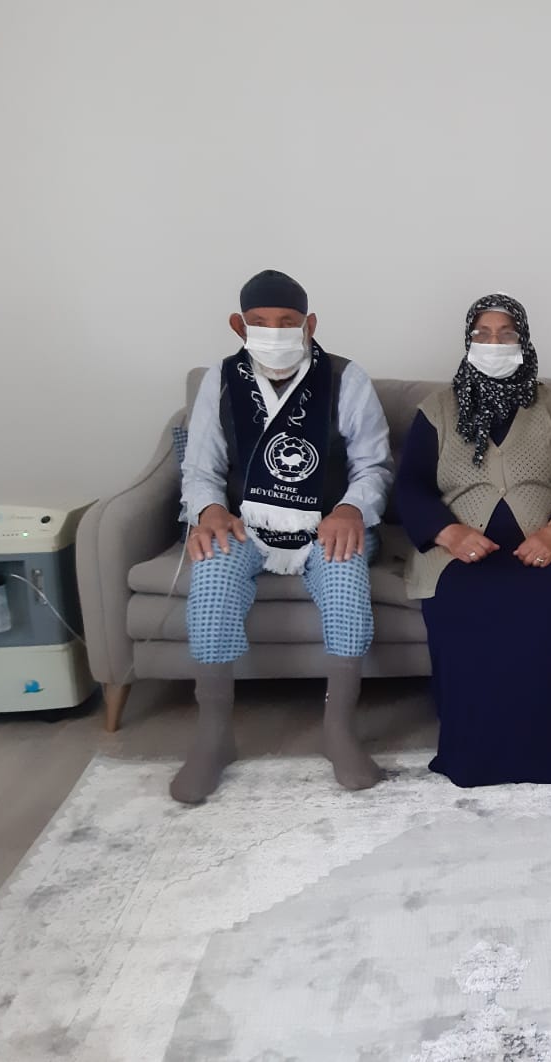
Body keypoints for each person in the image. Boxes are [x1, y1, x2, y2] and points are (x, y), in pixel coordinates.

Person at [177, 270, 393, 804]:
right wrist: (209, 510)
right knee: (212, 574)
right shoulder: (220, 380)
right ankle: (214, 735)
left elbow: (373, 466)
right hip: (245, 524)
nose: (274, 332)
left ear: (309, 324)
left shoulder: (346, 378)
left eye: (287, 322)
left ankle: (338, 730)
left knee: (345, 579)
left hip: (327, 523)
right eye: (260, 322)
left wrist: (350, 509)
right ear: (239, 325)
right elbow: (200, 467)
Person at [397, 293, 551, 787]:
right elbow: (410, 485)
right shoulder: (436, 409)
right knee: (465, 608)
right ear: (467, 340)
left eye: (506, 334)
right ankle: (475, 756)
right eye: (482, 334)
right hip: (458, 553)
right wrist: (449, 532)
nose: (493, 343)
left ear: (524, 341)